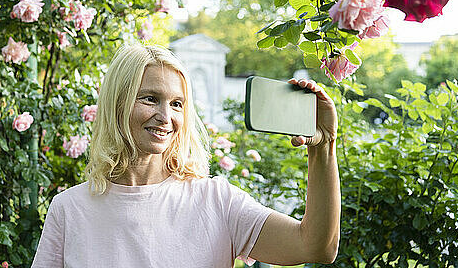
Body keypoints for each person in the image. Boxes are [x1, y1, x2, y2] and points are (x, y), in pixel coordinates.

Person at [31, 44, 340, 267]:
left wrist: (323, 148)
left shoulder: (217, 201)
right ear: (117, 104)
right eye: (151, 99)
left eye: (177, 104)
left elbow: (315, 246)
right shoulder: (69, 209)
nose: (166, 117)